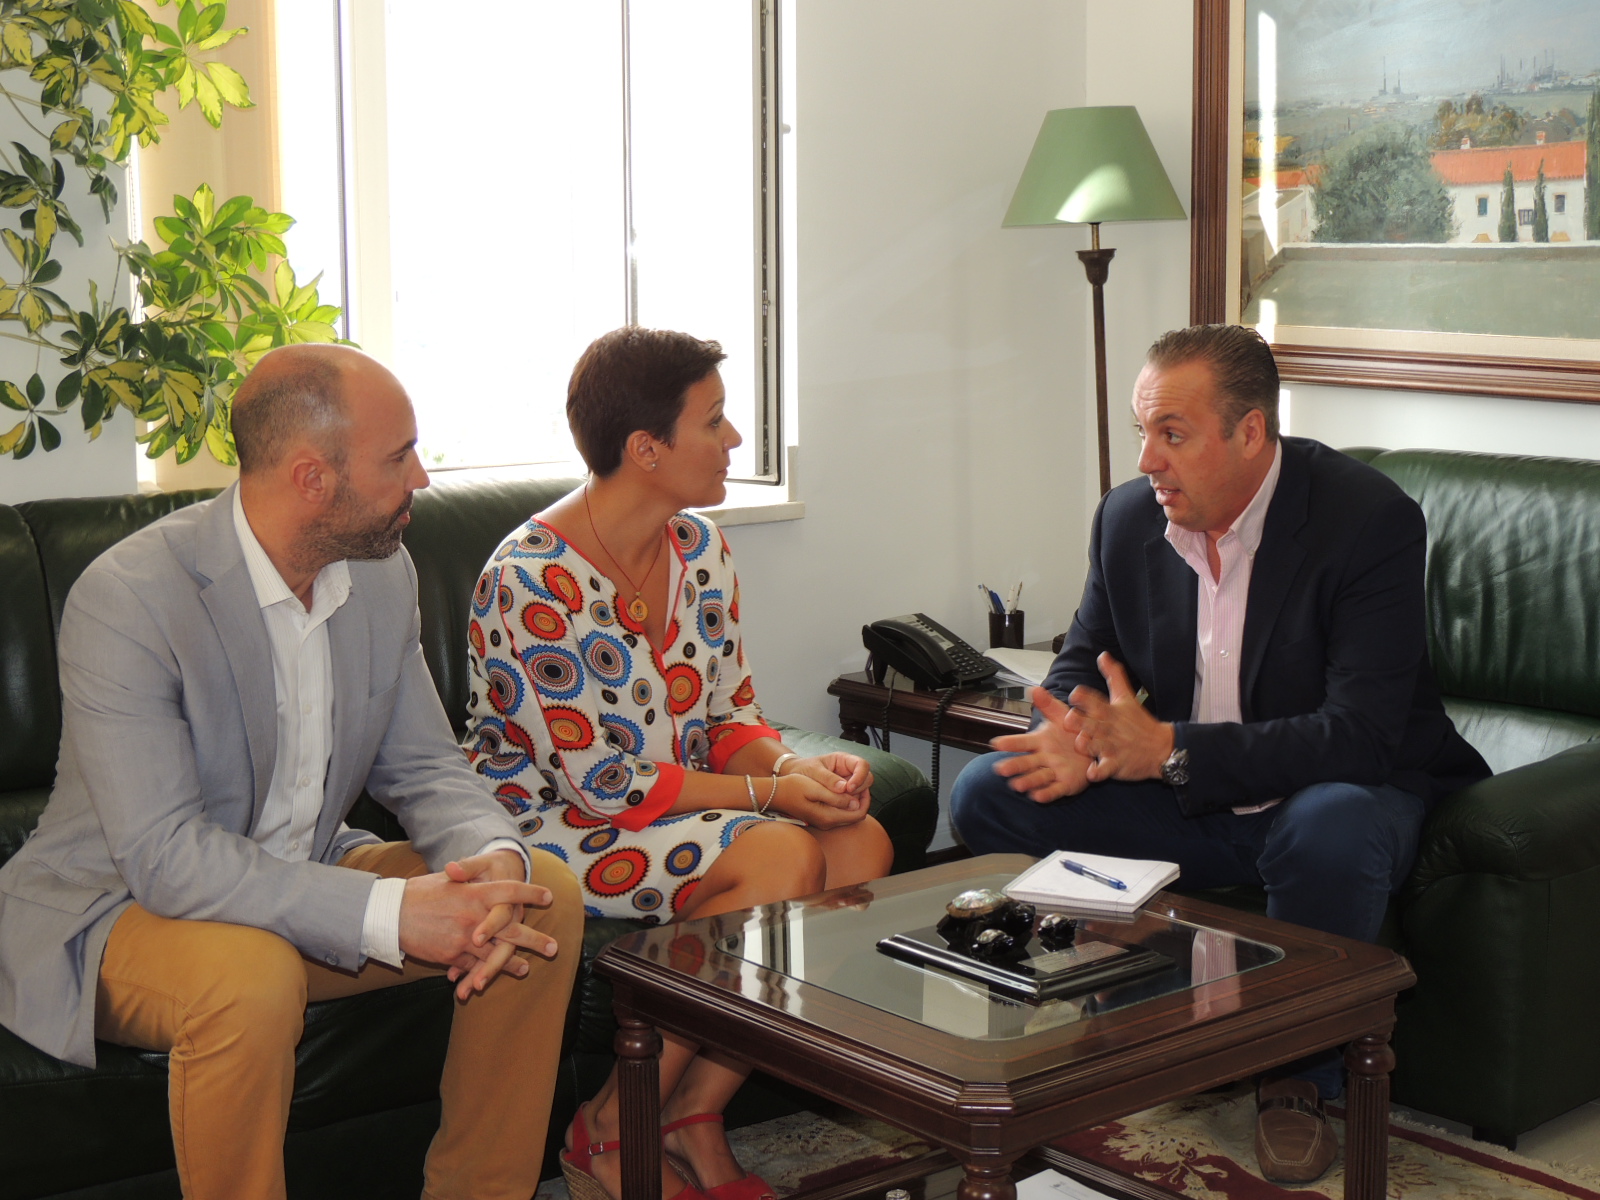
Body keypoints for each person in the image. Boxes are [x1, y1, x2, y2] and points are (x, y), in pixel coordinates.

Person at [0, 345, 583, 1200]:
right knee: (251, 977)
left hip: (302, 877)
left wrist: (490, 857)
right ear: (313, 477)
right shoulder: (131, 597)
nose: (421, 478)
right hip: (121, 910)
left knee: (538, 896)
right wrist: (389, 912)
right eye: (398, 457)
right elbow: (164, 857)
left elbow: (425, 764)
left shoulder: (383, 573)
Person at [949, 324, 1489, 1185]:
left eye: (1172, 434)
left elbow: (1360, 734)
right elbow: (1085, 661)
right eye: (1142, 432)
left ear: (1250, 432)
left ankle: (1297, 1080)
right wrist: (1075, 735)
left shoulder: (1366, 520)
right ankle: (1131, 991)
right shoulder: (1127, 518)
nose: (1148, 461)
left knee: (1332, 827)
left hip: (1333, 791)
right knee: (990, 790)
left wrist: (1170, 749)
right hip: (1190, 801)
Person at [461, 326, 895, 1200]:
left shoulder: (700, 549)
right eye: (715, 420)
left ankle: (694, 1113)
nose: (734, 438)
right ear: (645, 449)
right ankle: (609, 1128)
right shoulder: (531, 581)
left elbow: (729, 713)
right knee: (781, 854)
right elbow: (603, 783)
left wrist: (799, 774)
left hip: (672, 809)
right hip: (552, 826)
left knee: (861, 845)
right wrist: (772, 795)